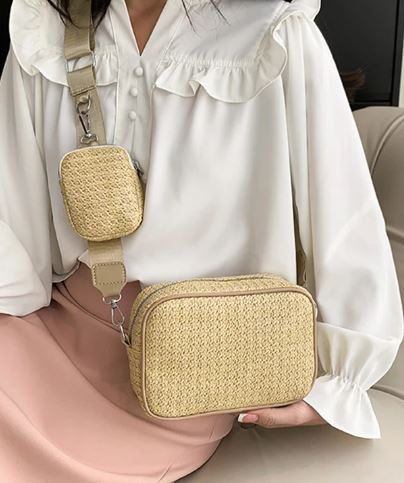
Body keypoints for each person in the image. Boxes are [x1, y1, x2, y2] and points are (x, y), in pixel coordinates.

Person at [0, 0, 403, 481]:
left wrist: (338, 383)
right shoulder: (45, 26)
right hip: (52, 332)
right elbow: (14, 230)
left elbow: (345, 218)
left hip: (190, 374)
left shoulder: (274, 33)